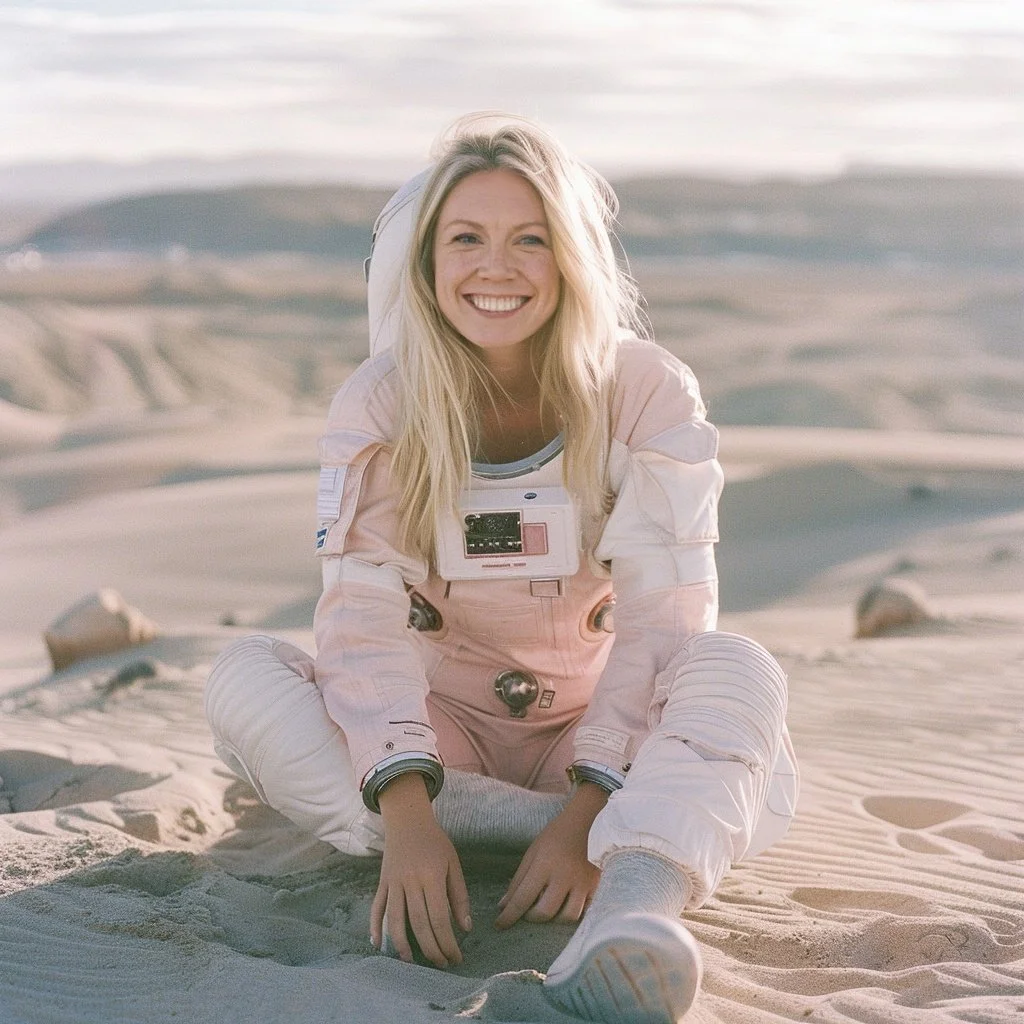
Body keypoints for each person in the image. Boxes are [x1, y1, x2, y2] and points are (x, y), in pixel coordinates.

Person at [205, 112, 798, 1024]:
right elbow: (359, 619)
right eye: (467, 238)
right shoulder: (383, 400)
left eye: (531, 239)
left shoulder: (645, 390)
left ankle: (631, 910)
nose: (497, 266)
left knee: (737, 669)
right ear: (427, 263)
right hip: (441, 746)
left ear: (571, 259)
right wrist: (406, 817)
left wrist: (582, 811)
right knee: (245, 676)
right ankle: (633, 831)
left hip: (598, 738)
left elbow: (668, 623)